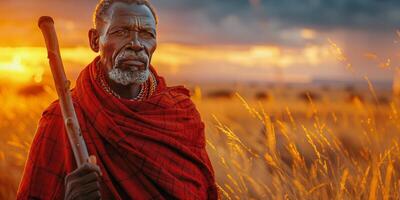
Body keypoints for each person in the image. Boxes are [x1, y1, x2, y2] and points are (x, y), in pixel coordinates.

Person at [16, 0, 218, 199]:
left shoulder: (181, 114)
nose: (137, 44)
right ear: (95, 40)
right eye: (121, 32)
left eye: (147, 34)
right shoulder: (61, 118)